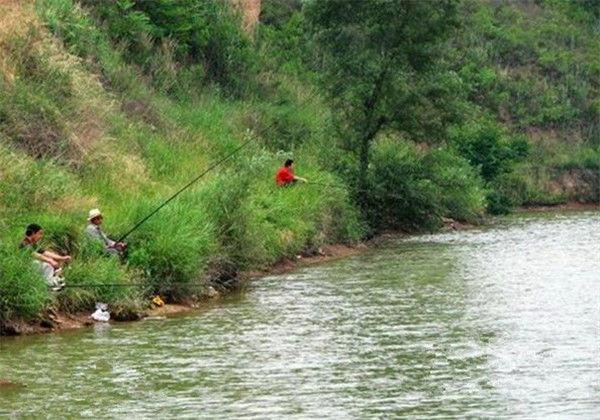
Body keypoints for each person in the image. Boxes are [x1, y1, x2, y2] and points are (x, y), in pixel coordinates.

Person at [19, 224, 70, 291]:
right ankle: (49, 285)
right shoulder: (24, 242)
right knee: (47, 266)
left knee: (50, 263)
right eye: (40, 234)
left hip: (32, 264)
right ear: (33, 233)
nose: (41, 236)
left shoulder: (33, 243)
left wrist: (62, 258)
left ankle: (54, 281)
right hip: (25, 266)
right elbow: (33, 254)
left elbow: (45, 253)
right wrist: (49, 261)